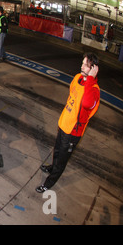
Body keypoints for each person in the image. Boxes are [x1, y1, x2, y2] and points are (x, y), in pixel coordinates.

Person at [36, 53, 100, 193]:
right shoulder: (78, 78)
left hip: (73, 132)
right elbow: (72, 93)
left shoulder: (94, 90)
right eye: (82, 63)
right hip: (64, 123)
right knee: (57, 151)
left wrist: (90, 79)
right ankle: (52, 167)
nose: (81, 66)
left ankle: (48, 183)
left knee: (62, 160)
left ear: (94, 69)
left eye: (85, 65)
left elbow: (87, 103)